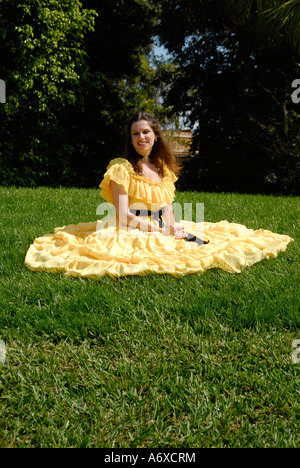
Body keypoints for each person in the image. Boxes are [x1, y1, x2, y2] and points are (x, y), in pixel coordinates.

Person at [24, 111, 293, 278]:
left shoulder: (162, 168)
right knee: (142, 255)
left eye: (146, 132)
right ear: (130, 139)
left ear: (155, 136)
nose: (141, 137)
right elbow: (123, 213)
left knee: (202, 244)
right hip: (129, 227)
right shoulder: (122, 168)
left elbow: (165, 206)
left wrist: (173, 228)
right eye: (135, 133)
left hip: (160, 224)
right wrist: (156, 230)